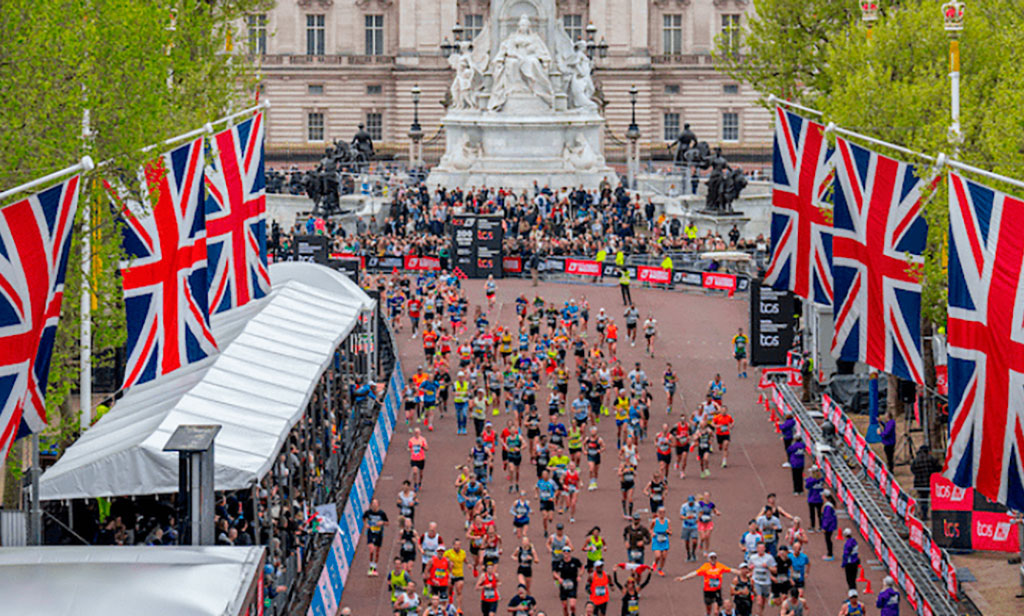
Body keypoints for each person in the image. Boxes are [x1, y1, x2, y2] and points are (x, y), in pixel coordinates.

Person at [747, 541, 776, 616]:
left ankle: (760, 613)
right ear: (757, 549)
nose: (761, 549)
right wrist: (750, 568)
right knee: (759, 600)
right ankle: (757, 614)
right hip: (756, 581)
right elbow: (748, 568)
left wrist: (767, 567)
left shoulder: (769, 558)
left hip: (766, 582)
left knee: (763, 601)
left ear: (765, 549)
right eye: (759, 548)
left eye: (762, 548)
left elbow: (775, 570)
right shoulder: (753, 558)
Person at [361, 499, 389, 576]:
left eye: (375, 504)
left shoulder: (381, 513)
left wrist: (382, 522)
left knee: (377, 551)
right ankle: (370, 567)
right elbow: (363, 518)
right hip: (371, 533)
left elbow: (387, 522)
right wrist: (365, 524)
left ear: (378, 505)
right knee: (371, 549)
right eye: (373, 504)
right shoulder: (368, 512)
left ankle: (375, 568)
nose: (374, 505)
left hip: (379, 534)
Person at [553, 547, 583, 616]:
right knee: (565, 606)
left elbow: (582, 567)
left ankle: (573, 613)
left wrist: (579, 575)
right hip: (563, 584)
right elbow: (554, 572)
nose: (566, 553)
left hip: (573, 583)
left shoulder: (575, 561)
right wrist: (559, 578)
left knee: (572, 605)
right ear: (562, 552)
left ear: (570, 552)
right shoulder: (560, 562)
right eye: (564, 551)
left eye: (568, 551)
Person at [444, 539, 469, 613]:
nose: (458, 546)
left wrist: (468, 564)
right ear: (453, 545)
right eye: (456, 545)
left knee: (459, 591)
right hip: (450, 574)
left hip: (459, 574)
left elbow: (465, 559)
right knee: (449, 591)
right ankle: (449, 605)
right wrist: (448, 562)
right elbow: (442, 560)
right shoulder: (448, 553)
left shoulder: (463, 552)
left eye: (459, 545)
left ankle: (459, 608)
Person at [650, 507, 672, 572]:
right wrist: (652, 533)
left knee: (664, 557)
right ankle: (655, 563)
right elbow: (650, 529)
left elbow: (671, 532)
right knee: (658, 556)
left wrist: (668, 532)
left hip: (664, 541)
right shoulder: (654, 521)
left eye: (663, 512)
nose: (661, 514)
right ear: (658, 513)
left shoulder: (667, 521)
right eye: (660, 512)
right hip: (657, 540)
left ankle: (660, 569)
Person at [679, 494, 700, 562]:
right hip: (686, 525)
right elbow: (681, 517)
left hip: (694, 525)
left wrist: (698, 518)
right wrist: (687, 517)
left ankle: (693, 553)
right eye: (690, 502)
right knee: (687, 542)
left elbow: (701, 512)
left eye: (692, 502)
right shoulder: (684, 506)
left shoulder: (697, 506)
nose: (691, 503)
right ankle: (688, 554)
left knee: (694, 541)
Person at [821, 491, 838, 561]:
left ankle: (830, 554)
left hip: (829, 527)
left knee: (828, 540)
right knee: (828, 539)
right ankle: (829, 553)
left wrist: (824, 527)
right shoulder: (829, 505)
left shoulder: (828, 506)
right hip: (830, 525)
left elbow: (827, 518)